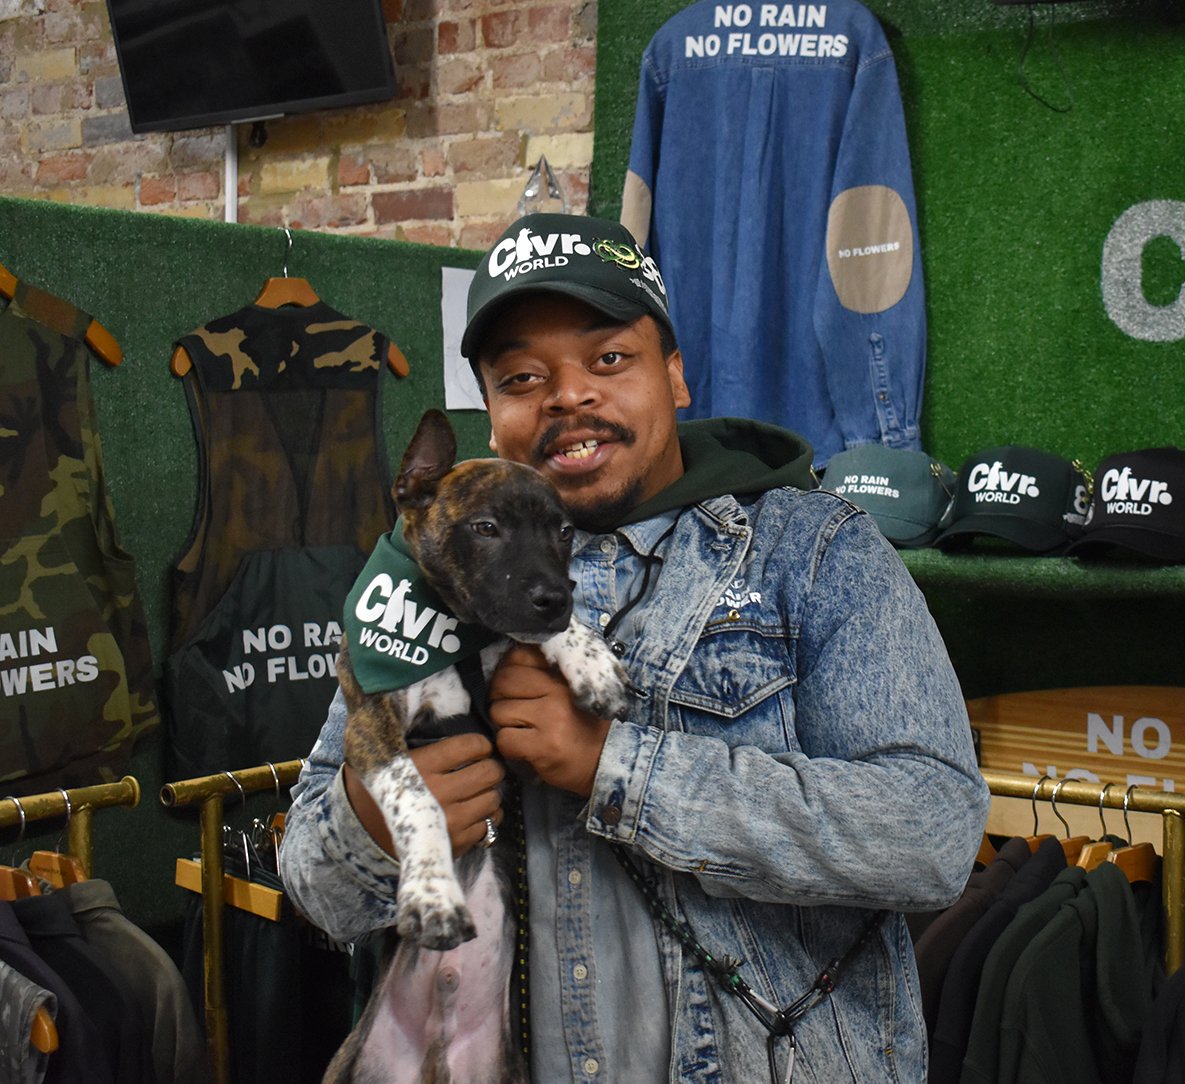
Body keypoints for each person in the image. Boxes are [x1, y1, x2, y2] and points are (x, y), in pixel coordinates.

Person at [281, 212, 988, 1083]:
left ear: (675, 375)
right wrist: (371, 824)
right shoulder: (431, 574)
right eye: (521, 377)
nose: (567, 396)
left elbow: (931, 832)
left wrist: (615, 766)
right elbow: (314, 885)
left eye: (609, 358)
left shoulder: (812, 552)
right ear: (492, 415)